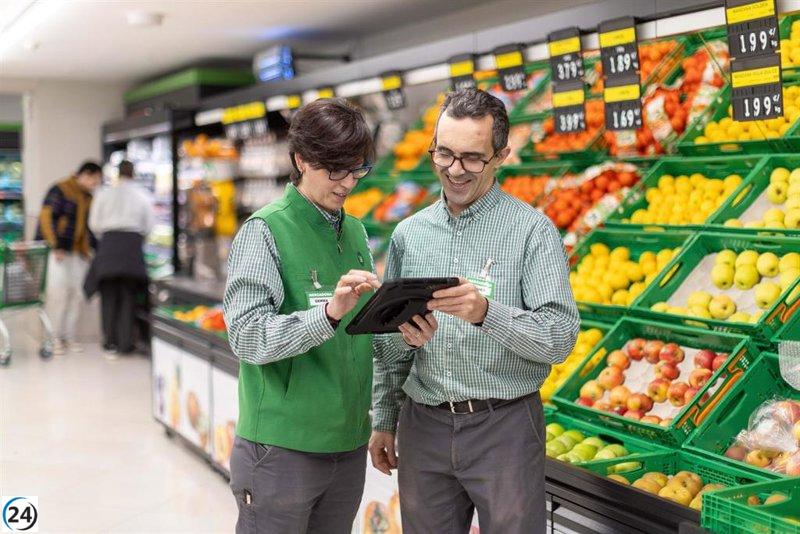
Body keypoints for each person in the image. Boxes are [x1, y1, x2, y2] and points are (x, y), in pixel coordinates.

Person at [369, 89, 580, 534]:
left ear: (501, 155)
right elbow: (388, 345)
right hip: (422, 422)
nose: (454, 169)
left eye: (471, 157)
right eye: (443, 153)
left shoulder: (532, 231)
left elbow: (559, 337)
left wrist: (487, 313)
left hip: (503, 426)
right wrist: (385, 418)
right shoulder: (410, 234)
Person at [224, 98, 389, 534]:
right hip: (281, 450)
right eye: (335, 169)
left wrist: (400, 324)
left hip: (347, 445)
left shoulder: (354, 230)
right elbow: (246, 336)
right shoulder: (265, 231)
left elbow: (362, 329)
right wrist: (327, 315)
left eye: (357, 169)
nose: (348, 182)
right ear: (300, 159)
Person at [85, 160, 154, 357]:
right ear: (133, 173)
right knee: (129, 297)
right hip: (132, 247)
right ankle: (126, 343)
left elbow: (94, 224)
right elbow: (149, 225)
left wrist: (107, 238)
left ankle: (110, 343)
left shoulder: (104, 194)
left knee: (108, 297)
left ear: (118, 173)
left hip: (108, 245)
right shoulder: (142, 195)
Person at [36, 160, 102, 355]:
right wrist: (55, 244)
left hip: (77, 253)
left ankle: (68, 337)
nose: (95, 185)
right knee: (57, 295)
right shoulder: (60, 189)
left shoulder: (87, 197)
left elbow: (87, 227)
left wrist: (92, 249)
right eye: (94, 180)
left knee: (76, 295)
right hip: (58, 252)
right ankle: (52, 338)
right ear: (86, 175)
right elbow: (46, 217)